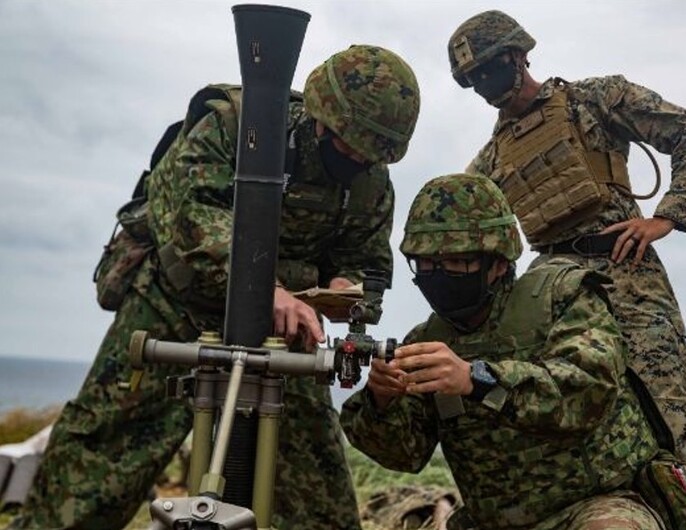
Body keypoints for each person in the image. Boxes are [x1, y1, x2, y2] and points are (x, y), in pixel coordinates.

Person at [8, 45, 420, 530]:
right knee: (99, 464)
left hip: (282, 334)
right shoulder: (235, 126)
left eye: (370, 152)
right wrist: (267, 290)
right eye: (349, 143)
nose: (356, 157)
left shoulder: (370, 184)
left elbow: (368, 265)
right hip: (173, 308)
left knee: (317, 498)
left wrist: (345, 292)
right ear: (320, 115)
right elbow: (193, 219)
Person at [446, 10, 686, 525]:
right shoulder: (489, 161)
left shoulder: (594, 100)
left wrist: (668, 216)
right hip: (555, 297)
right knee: (568, 422)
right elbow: (462, 227)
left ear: (516, 56)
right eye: (472, 81)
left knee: (672, 428)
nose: (483, 87)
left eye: (488, 71)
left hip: (630, 281)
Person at [341, 173, 673, 529]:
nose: (439, 274)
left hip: (593, 506)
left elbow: (589, 389)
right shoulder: (426, 340)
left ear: (498, 264)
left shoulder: (562, 297)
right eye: (426, 264)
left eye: (457, 262)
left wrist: (477, 380)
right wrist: (381, 401)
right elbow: (404, 453)